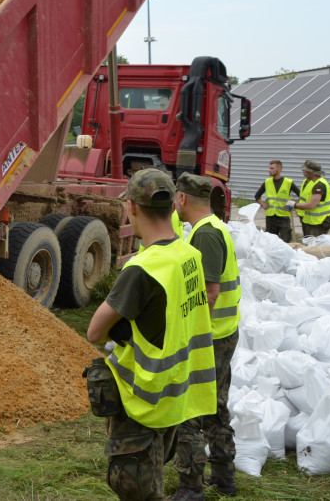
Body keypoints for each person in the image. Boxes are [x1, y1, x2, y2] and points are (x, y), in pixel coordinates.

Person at [87, 168, 216, 501]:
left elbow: (94, 331)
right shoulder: (189, 255)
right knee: (154, 474)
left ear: (131, 208)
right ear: (174, 206)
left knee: (138, 488)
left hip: (144, 399)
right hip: (177, 396)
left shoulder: (142, 270)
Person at [172, 174, 242, 498]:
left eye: (176, 198)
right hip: (222, 334)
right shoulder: (211, 229)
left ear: (183, 199)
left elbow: (209, 293)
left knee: (190, 411)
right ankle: (225, 479)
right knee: (215, 406)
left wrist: (191, 336)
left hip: (211, 338)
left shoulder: (206, 235)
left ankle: (190, 487)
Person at [254, 159, 300, 242]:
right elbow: (257, 195)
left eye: (272, 168)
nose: (269, 170)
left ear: (279, 169)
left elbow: (301, 195)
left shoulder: (288, 182)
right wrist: (263, 204)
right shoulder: (267, 182)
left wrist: (295, 206)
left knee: (285, 242)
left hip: (283, 217)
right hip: (271, 217)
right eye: (269, 168)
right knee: (270, 242)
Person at [291, 160, 330, 237]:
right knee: (309, 244)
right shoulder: (308, 182)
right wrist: (294, 206)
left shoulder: (319, 185)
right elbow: (304, 198)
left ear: (311, 172)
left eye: (305, 170)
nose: (303, 171)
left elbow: (311, 205)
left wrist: (295, 205)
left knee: (315, 246)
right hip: (310, 220)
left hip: (319, 222)